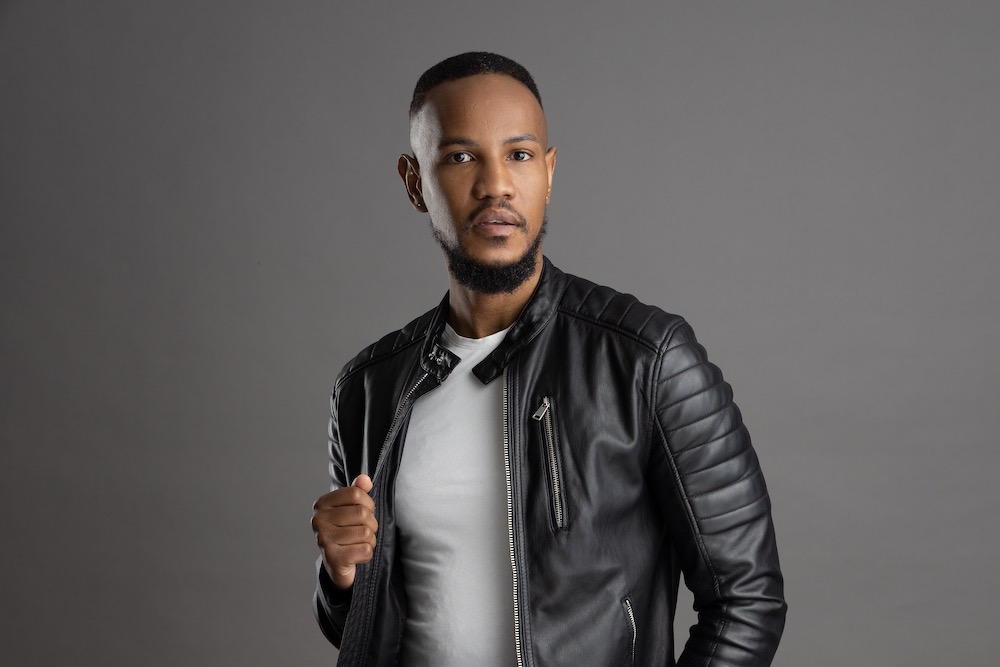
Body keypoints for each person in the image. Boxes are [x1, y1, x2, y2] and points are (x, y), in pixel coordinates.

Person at [311, 52, 786, 666]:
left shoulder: (647, 359)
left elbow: (747, 600)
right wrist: (341, 574)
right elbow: (359, 627)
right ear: (413, 182)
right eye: (460, 158)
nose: (496, 185)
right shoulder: (369, 388)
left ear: (549, 171)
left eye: (519, 154)